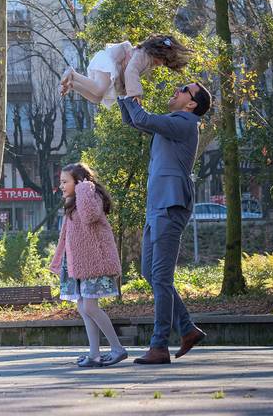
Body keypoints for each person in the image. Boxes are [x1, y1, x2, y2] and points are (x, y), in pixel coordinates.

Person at [118, 81, 212, 364]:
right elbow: (135, 120)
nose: (177, 89)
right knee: (150, 272)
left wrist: (130, 91)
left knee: (160, 276)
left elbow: (144, 119)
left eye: (184, 89)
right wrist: (123, 93)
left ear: (191, 104)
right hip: (157, 206)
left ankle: (159, 346)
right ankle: (187, 328)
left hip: (170, 205)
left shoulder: (185, 123)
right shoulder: (172, 123)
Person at [49, 163, 127, 367]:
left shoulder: (91, 197)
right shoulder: (73, 203)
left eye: (65, 182)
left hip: (95, 262)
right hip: (78, 265)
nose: (61, 186)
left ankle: (117, 348)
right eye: (60, 182)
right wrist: (60, 262)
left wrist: (84, 188)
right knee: (83, 308)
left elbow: (89, 216)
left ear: (79, 182)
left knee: (91, 307)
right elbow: (66, 236)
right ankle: (94, 355)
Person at [61, 34, 193, 107]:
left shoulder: (146, 60)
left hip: (112, 68)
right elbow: (131, 71)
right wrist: (135, 94)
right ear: (158, 53)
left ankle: (73, 85)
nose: (160, 65)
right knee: (99, 89)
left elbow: (129, 77)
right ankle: (73, 74)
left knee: (97, 98)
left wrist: (125, 92)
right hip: (109, 62)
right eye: (162, 61)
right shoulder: (143, 55)